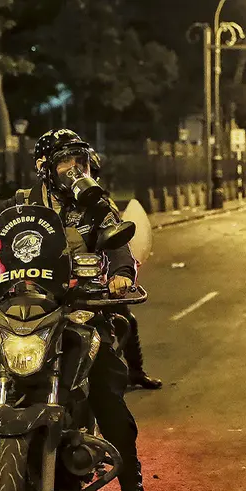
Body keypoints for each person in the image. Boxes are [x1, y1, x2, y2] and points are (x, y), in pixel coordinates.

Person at [0, 129, 156, 491]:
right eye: (66, 163)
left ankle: (133, 488)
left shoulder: (96, 204)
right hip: (20, 308)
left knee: (106, 390)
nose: (75, 170)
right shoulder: (19, 206)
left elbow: (118, 248)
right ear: (45, 168)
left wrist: (121, 276)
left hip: (78, 311)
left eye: (81, 162)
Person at [88, 148, 162, 391]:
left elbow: (117, 239)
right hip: (55, 275)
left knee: (125, 319)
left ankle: (136, 372)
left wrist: (120, 272)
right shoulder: (45, 204)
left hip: (97, 275)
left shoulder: (99, 204)